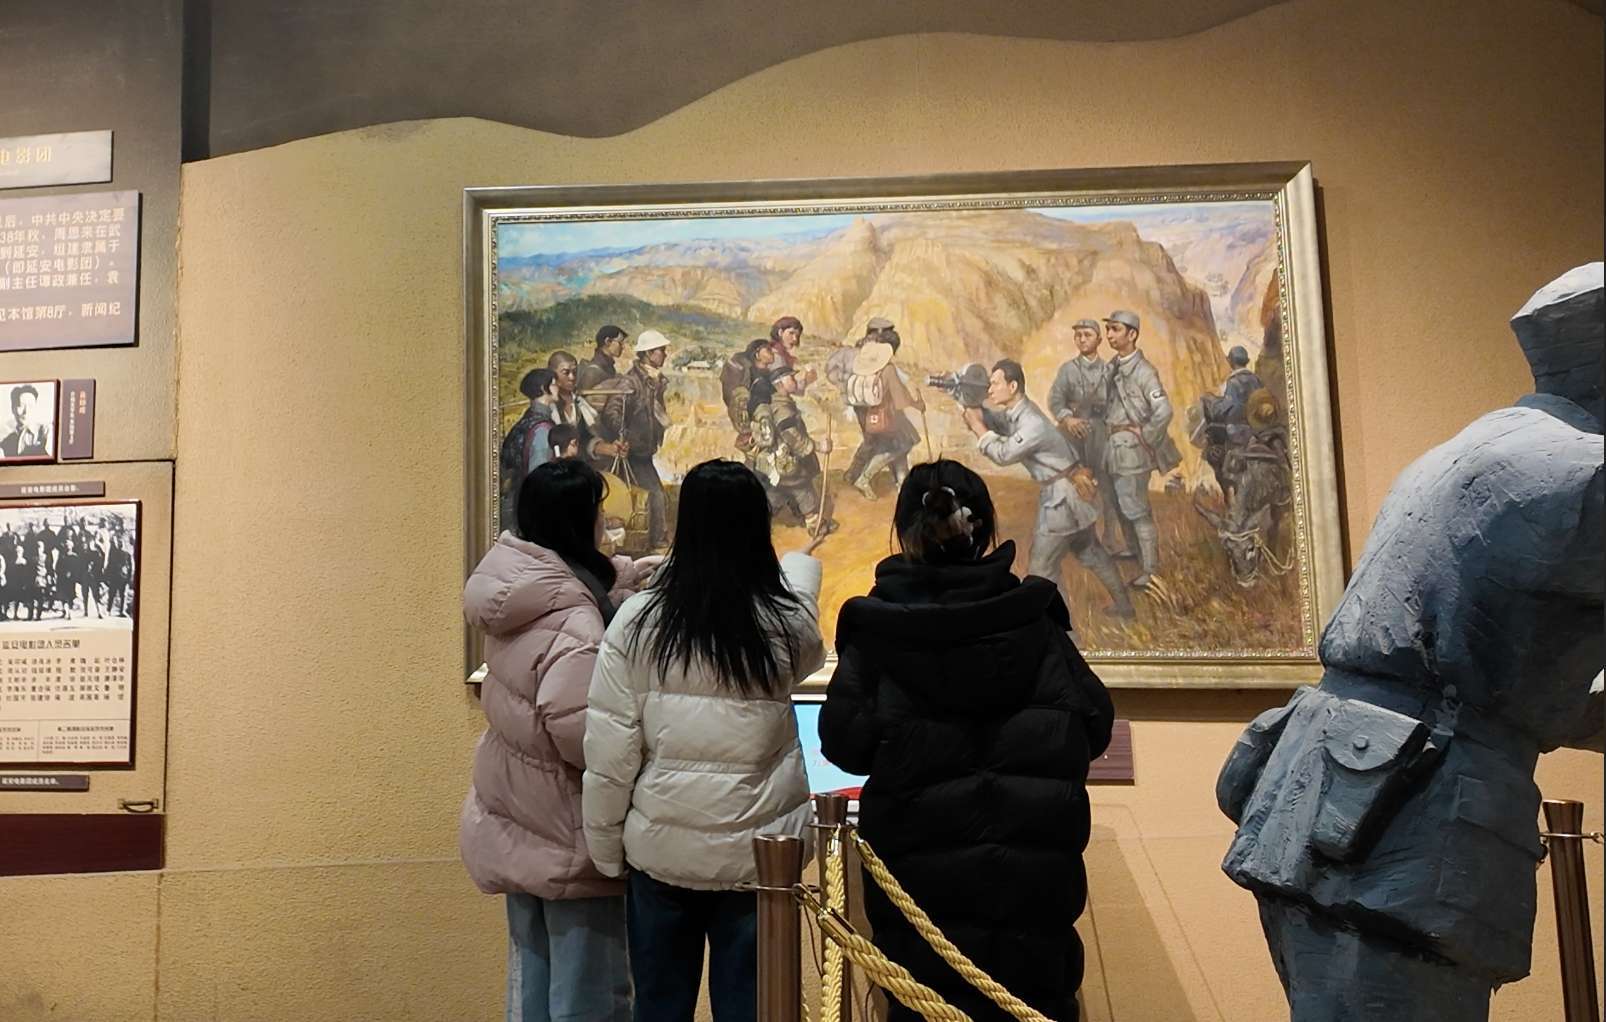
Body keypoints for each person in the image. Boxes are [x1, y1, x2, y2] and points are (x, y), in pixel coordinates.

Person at [1218, 262, 1605, 1022]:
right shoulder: (1584, 472)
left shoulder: (1475, 443)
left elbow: (1498, 662)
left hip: (1328, 800)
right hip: (1409, 825)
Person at [818, 459, 1114, 1022]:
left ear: (905, 528)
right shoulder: (1036, 618)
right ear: (984, 527)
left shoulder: (878, 629)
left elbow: (843, 743)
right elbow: (1096, 723)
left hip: (920, 894)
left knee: (927, 1008)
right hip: (1031, 894)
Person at [583, 459, 826, 1022]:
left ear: (685, 523)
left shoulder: (637, 620)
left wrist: (606, 850)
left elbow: (611, 753)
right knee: (750, 1008)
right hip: (759, 854)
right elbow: (811, 647)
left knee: (659, 1008)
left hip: (662, 852)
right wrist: (801, 570)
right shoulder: (781, 621)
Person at [460, 458, 656, 1022]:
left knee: (532, 986)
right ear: (578, 521)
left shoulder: (519, 587)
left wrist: (625, 578)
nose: (604, 522)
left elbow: (577, 585)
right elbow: (582, 736)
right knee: (588, 996)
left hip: (518, 815)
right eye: (598, 510)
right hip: (569, 827)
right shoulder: (575, 622)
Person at [963, 359, 1134, 620]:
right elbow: (1000, 422)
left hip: (1062, 500)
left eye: (995, 384)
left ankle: (1064, 629)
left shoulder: (1031, 422)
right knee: (1092, 552)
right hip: (1072, 494)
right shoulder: (1020, 411)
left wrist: (978, 427)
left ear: (1013, 386)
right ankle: (1124, 607)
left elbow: (1003, 454)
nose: (989, 389)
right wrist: (973, 408)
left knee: (1041, 567)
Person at [1100, 310, 1182, 590]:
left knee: (1136, 509)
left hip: (1132, 451)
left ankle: (1150, 570)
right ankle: (1134, 550)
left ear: (1132, 334)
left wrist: (1145, 435)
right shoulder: (1113, 366)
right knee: (1119, 505)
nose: (1109, 335)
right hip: (1112, 448)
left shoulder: (1144, 371)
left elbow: (1164, 410)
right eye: (1108, 329)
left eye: (1115, 329)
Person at [1049, 318, 1124, 554]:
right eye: (1078, 335)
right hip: (1073, 435)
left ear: (1099, 340)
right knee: (1074, 486)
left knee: (1108, 487)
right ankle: (1078, 539)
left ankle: (1110, 537)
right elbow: (1055, 400)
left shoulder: (1110, 371)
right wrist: (1067, 419)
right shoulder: (1067, 370)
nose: (1082, 339)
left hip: (1101, 435)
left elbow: (1119, 403)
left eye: (1087, 335)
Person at [600, 330, 673, 550]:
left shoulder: (653, 380)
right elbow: (612, 413)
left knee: (650, 496)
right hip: (633, 452)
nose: (665, 354)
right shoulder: (631, 382)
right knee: (654, 495)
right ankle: (656, 543)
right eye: (661, 350)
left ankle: (651, 542)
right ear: (649, 353)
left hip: (643, 450)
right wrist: (626, 436)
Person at [844, 320, 925, 500]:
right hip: (885, 416)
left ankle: (902, 482)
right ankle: (864, 478)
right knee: (900, 445)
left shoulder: (862, 367)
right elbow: (900, 399)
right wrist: (917, 404)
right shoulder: (887, 370)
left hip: (867, 414)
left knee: (894, 443)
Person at [748, 366, 832, 534]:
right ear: (779, 384)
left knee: (776, 492)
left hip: (776, 461)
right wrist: (818, 446)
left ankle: (754, 519)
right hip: (785, 460)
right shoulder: (782, 408)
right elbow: (791, 435)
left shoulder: (779, 402)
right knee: (802, 488)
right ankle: (813, 523)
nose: (795, 381)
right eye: (791, 379)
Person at [499, 369, 561, 527]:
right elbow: (539, 477)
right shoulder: (542, 429)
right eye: (554, 384)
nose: (558, 388)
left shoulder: (527, 420)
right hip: (533, 506)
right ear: (543, 389)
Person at [721, 338, 776, 459]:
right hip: (755, 429)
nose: (772, 353)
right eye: (768, 350)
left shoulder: (768, 375)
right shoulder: (747, 377)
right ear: (757, 354)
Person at [1, 384, 51, 459]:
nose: (26, 412)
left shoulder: (45, 432)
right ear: (13, 409)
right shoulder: (7, 442)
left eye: (31, 406)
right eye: (21, 405)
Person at [577, 324, 629, 395]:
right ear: (608, 341)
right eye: (620, 343)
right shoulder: (593, 372)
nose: (623, 347)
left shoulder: (608, 367)